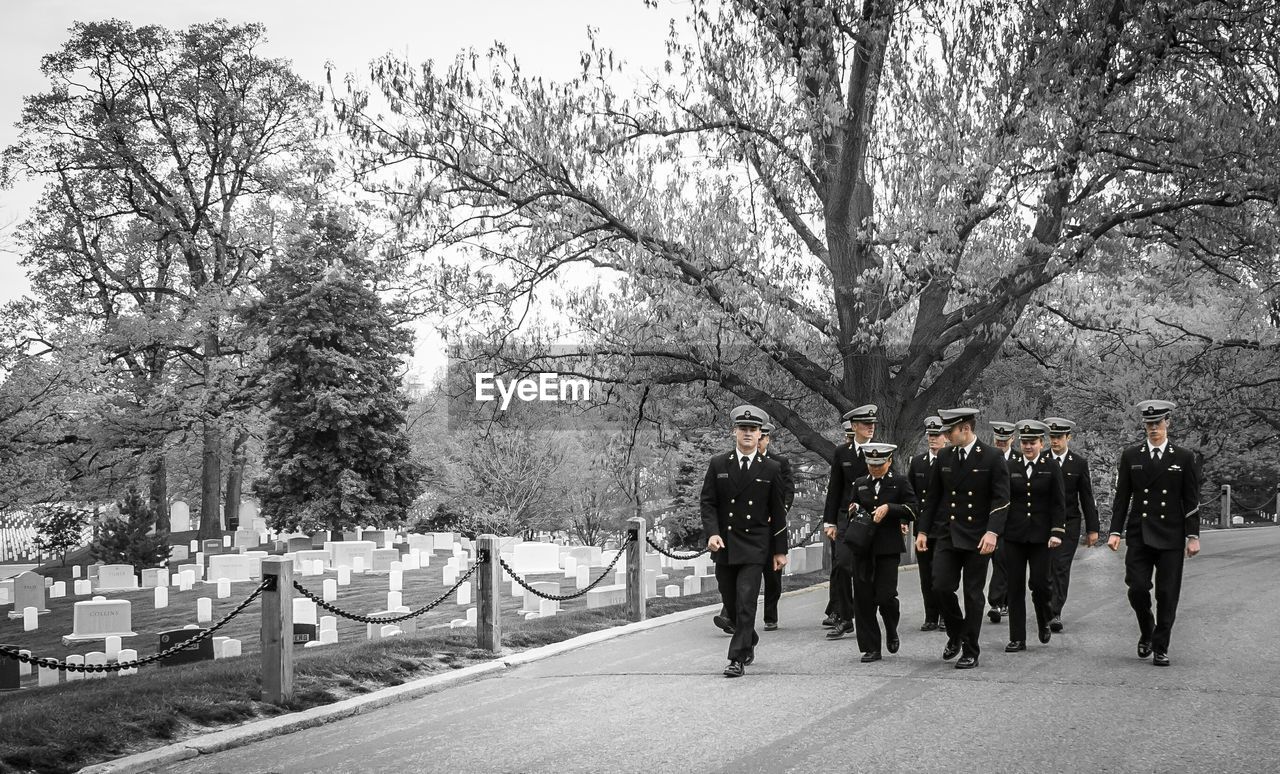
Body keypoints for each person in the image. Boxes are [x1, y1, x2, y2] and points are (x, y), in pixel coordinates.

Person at [915, 408, 1011, 670]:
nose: (945, 435)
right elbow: (933, 497)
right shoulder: (945, 456)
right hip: (947, 533)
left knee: (972, 594)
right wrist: (923, 531)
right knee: (941, 586)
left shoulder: (992, 457)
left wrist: (993, 532)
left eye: (950, 431)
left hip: (979, 536)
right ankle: (957, 632)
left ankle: (971, 649)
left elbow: (1001, 500)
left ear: (965, 429)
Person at [1108, 399, 1200, 667]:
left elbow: (1190, 499)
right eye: (1149, 424)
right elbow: (1122, 497)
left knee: (1167, 593)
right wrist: (1115, 531)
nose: (1153, 428)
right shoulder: (1131, 456)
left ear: (1167, 423)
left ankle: (1161, 646)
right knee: (1137, 588)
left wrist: (1192, 536)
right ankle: (1147, 629)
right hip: (1140, 533)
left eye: (1157, 423)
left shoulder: (1183, 457)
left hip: (1171, 534)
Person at [700, 405, 789, 677]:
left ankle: (736, 658)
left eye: (753, 430)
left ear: (761, 433)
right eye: (743, 429)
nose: (748, 433)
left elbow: (777, 512)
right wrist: (712, 533)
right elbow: (708, 502)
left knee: (746, 600)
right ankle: (747, 635)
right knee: (728, 595)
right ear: (734, 432)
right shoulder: (718, 464)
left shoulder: (771, 468)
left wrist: (780, 550)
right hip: (725, 544)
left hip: (755, 545)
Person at [844, 443, 916, 662]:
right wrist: (853, 510)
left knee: (886, 596)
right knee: (864, 599)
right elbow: (851, 506)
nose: (875, 469)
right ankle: (871, 646)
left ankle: (891, 629)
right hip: (863, 548)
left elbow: (913, 509)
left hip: (887, 548)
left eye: (879, 464)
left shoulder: (900, 482)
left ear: (889, 462)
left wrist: (890, 509)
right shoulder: (860, 483)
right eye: (871, 464)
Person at [1002, 420, 1067, 652]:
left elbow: (1059, 503)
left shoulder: (1051, 466)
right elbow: (1003, 499)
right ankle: (1017, 637)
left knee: (1041, 585)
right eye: (1024, 442)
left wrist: (1057, 531)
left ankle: (1044, 619)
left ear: (1042, 443)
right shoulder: (1010, 465)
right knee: (1015, 587)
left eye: (1032, 442)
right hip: (1014, 536)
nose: (1028, 446)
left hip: (1041, 537)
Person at [822, 404, 877, 639]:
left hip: (873, 518)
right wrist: (829, 521)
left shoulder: (879, 450)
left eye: (872, 424)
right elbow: (835, 489)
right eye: (866, 424)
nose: (870, 428)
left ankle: (868, 613)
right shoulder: (842, 453)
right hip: (847, 518)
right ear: (854, 427)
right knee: (843, 564)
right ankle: (845, 617)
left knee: (869, 571)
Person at [1044, 417, 1100, 632]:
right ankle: (1045, 606)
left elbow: (1086, 496)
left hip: (1069, 523)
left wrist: (1092, 528)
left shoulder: (1078, 463)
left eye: (1059, 437)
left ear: (1068, 437)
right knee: (1045, 569)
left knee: (1060, 567)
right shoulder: (1041, 459)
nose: (1055, 441)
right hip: (1044, 524)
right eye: (1052, 437)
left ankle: (1055, 611)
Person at [908, 416, 947, 632]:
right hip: (924, 526)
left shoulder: (951, 462)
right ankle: (931, 615)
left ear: (946, 438)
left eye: (937, 435)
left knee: (941, 573)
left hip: (945, 526)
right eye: (930, 435)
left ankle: (944, 614)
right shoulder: (918, 463)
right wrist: (907, 520)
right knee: (925, 574)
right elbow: (911, 494)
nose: (933, 439)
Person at [756, 422, 794, 630]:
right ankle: (733, 617)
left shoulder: (779, 462)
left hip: (772, 527)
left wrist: (780, 512)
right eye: (757, 436)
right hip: (752, 527)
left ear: (767, 439)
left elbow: (788, 491)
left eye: (762, 437)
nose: (759, 440)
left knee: (772, 577)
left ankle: (770, 616)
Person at [986, 421, 1016, 624]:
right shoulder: (986, 459)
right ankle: (1001, 601)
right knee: (997, 560)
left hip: (1012, 519)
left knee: (1003, 559)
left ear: (1012, 439)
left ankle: (997, 601)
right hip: (989, 516)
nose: (1001, 443)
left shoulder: (1019, 460)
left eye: (1004, 441)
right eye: (998, 440)